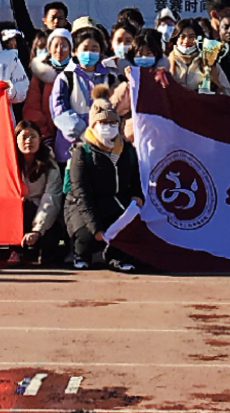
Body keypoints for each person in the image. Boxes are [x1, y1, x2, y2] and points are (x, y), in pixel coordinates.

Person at [64, 93, 141, 272]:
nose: (109, 127)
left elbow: (136, 180)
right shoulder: (82, 152)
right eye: (103, 123)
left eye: (113, 123)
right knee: (87, 235)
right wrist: (95, 228)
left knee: (129, 228)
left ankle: (116, 257)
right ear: (93, 124)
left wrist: (137, 197)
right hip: (82, 205)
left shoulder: (127, 150)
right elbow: (81, 193)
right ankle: (81, 254)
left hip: (114, 202)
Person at [49, 27, 116, 158]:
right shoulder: (66, 77)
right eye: (85, 49)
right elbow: (59, 111)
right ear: (75, 51)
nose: (89, 53)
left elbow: (116, 110)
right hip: (71, 149)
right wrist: (85, 133)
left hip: (104, 147)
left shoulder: (110, 78)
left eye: (94, 49)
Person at [11, 123, 66, 267]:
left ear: (40, 139)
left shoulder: (49, 162)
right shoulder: (9, 163)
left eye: (33, 137)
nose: (28, 141)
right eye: (24, 137)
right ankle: (16, 250)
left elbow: (51, 197)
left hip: (45, 214)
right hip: (19, 214)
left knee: (49, 247)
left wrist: (37, 230)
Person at [167, 19, 230, 96]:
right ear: (176, 38)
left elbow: (227, 91)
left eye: (191, 37)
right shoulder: (167, 63)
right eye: (182, 36)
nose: (186, 41)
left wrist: (214, 93)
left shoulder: (209, 62)